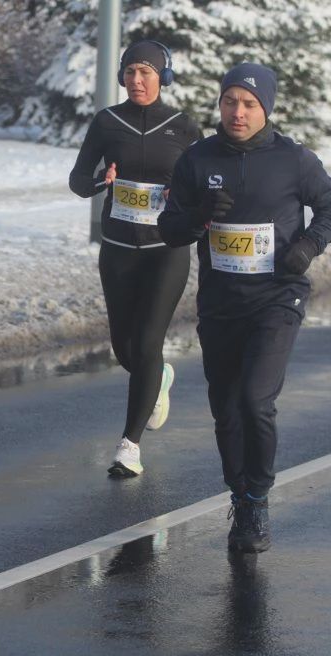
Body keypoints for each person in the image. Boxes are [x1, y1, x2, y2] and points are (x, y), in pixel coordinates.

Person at [158, 63, 331, 553]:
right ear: (219, 104)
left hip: (278, 296)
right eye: (230, 102)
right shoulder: (197, 159)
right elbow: (169, 228)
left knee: (255, 401)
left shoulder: (294, 159)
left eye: (249, 104)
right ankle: (240, 495)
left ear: (266, 108)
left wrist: (307, 246)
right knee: (226, 410)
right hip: (221, 302)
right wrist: (199, 216)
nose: (238, 112)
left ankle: (258, 498)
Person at [69, 40, 201, 477]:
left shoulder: (184, 127)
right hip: (120, 249)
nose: (137, 80)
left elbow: (202, 186)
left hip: (167, 251)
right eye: (130, 72)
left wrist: (184, 198)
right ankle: (158, 376)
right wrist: (99, 180)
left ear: (164, 76)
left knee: (146, 343)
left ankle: (129, 445)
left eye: (147, 72)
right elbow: (77, 180)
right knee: (125, 349)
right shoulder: (106, 122)